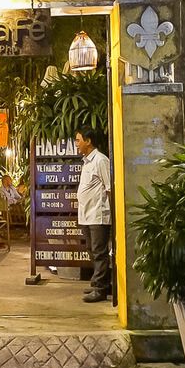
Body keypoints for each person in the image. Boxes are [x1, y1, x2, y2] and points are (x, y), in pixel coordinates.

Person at [75, 127, 111, 303]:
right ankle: (101, 281)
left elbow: (109, 188)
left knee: (99, 252)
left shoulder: (101, 160)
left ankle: (101, 288)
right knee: (91, 250)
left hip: (98, 214)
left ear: (88, 141)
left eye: (78, 140)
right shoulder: (87, 162)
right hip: (86, 215)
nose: (77, 144)